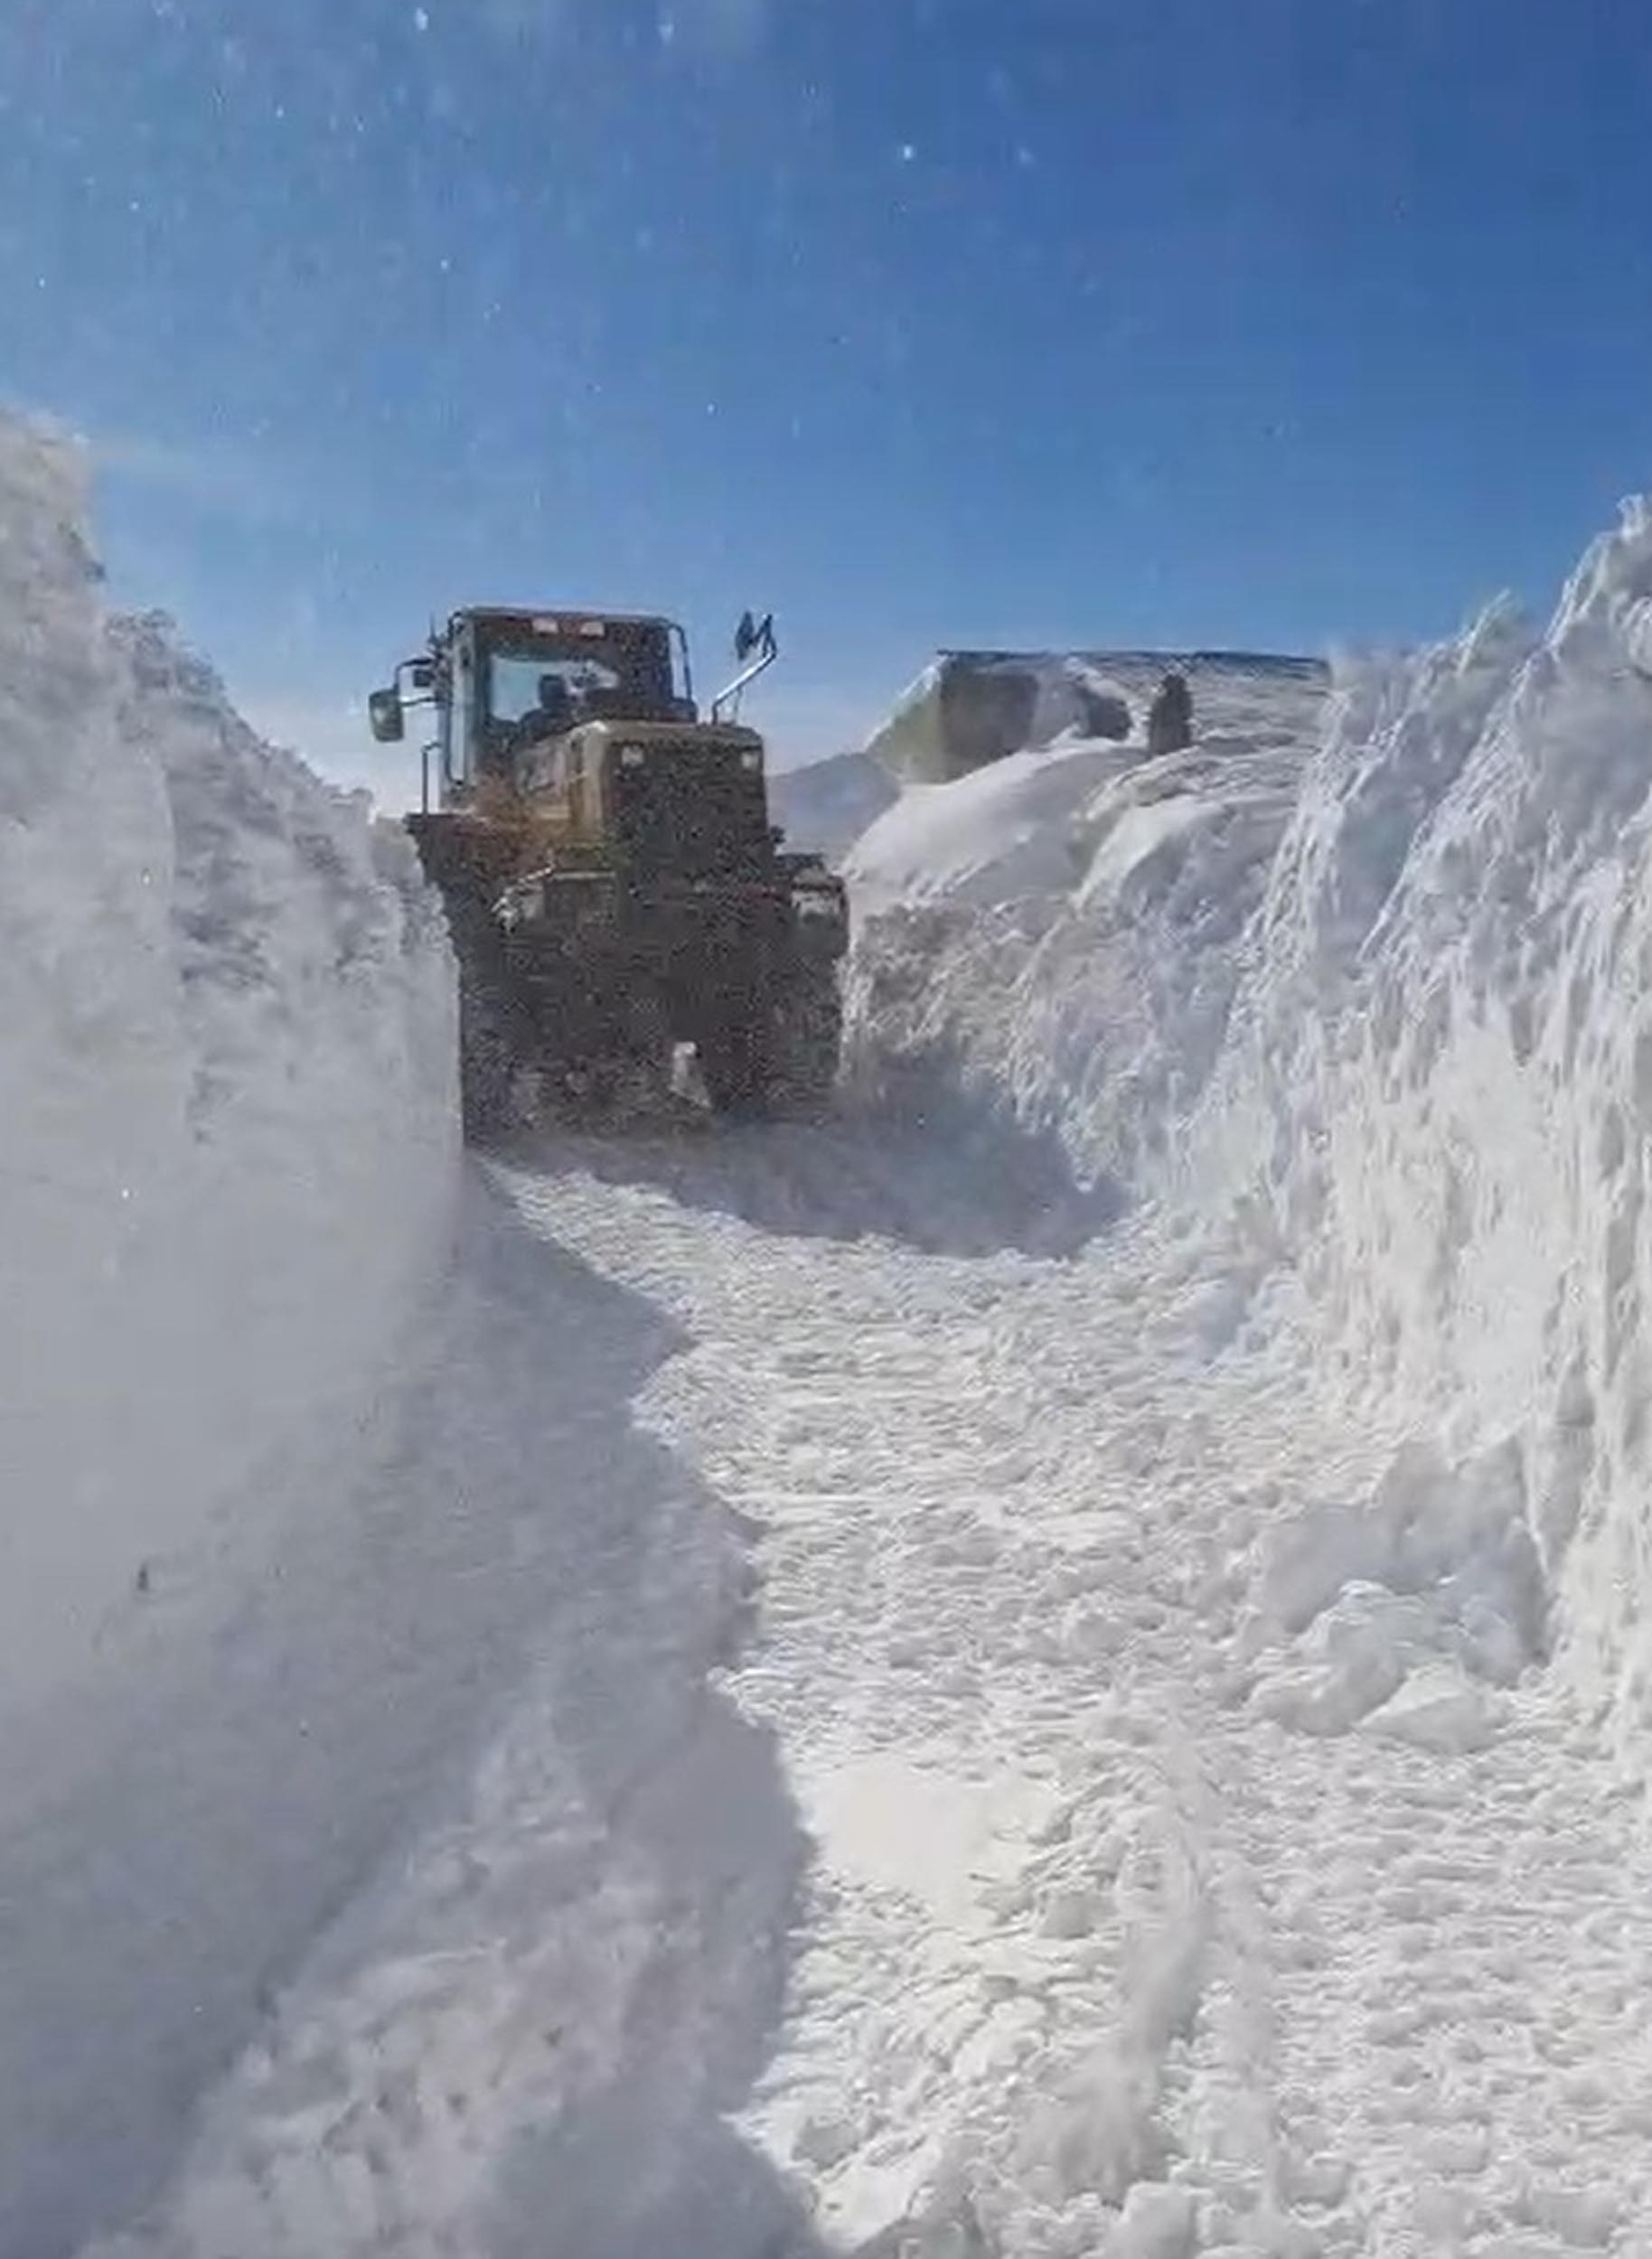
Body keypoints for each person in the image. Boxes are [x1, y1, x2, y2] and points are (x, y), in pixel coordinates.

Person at [1146, 669, 1193, 756]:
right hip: (1169, 732)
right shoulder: (1163, 701)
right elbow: (1187, 714)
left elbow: (1186, 715)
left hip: (1171, 731)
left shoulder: (1160, 701)